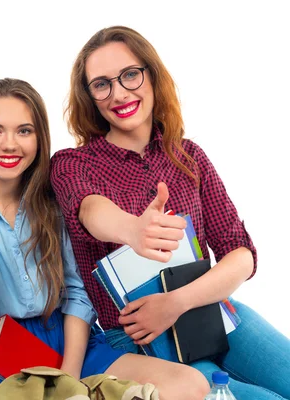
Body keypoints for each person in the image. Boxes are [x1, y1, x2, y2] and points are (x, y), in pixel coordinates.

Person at [0, 77, 208, 400]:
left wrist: (70, 380)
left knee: (191, 384)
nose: (9, 144)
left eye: (24, 131)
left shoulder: (54, 198)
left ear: (39, 138)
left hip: (71, 339)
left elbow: (77, 292)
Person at [50, 25, 290, 400]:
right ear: (90, 97)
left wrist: (177, 303)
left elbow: (240, 253)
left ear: (151, 74)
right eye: (102, 84)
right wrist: (133, 229)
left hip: (212, 311)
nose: (119, 93)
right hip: (141, 334)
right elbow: (90, 210)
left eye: (130, 74)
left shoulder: (188, 156)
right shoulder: (72, 164)